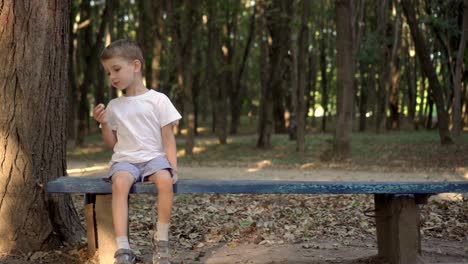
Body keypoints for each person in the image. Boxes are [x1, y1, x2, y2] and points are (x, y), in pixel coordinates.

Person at [93, 39, 181, 264]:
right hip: (125, 160)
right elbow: (112, 144)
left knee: (164, 180)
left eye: (116, 69)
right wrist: (103, 123)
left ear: (136, 65)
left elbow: (168, 138)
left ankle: (161, 241)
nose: (112, 76)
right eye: (107, 72)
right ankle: (123, 247)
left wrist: (173, 167)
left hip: (154, 158)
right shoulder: (114, 106)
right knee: (120, 183)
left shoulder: (158, 100)